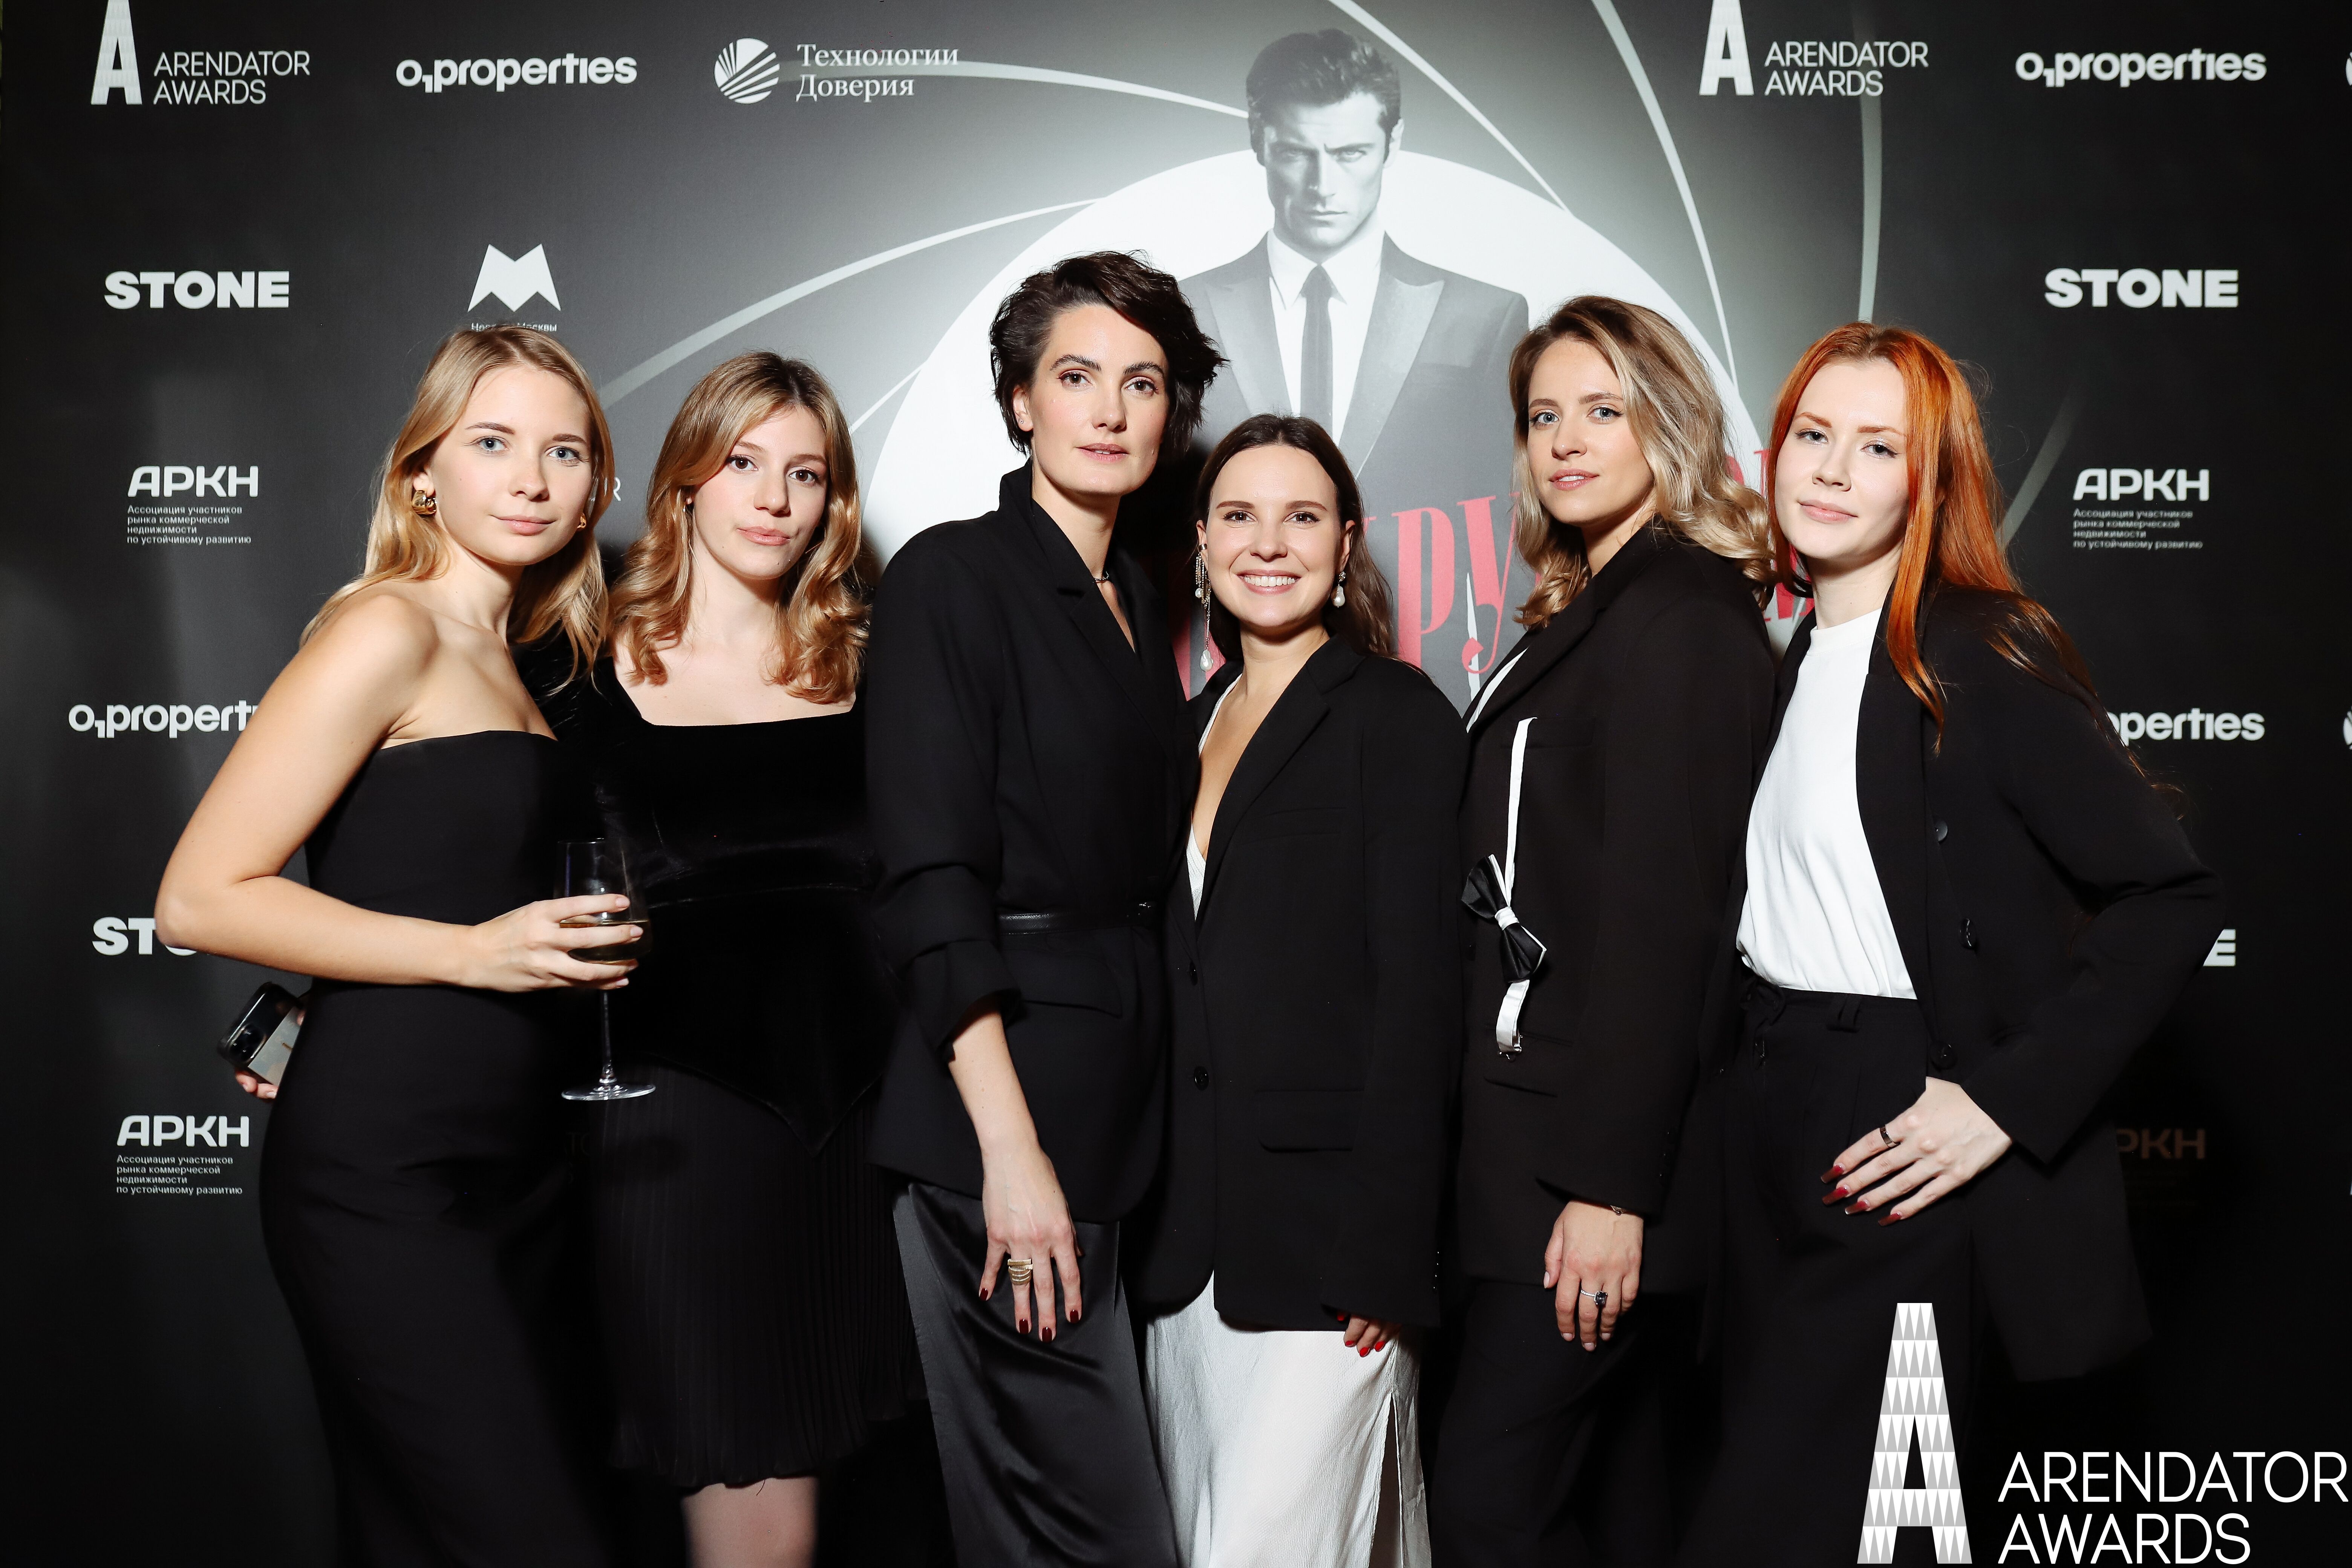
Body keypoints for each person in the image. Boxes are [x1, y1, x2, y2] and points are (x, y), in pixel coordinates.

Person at [1680, 325, 2225, 1565]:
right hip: (1765, 1116)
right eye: (1813, 435)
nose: (1832, 470)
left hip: (1892, 1127)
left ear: (1931, 481)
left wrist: (2001, 1103)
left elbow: (2169, 896)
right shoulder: (1788, 654)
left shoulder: (1976, 650)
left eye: (1879, 448)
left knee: (1819, 1528)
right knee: (1842, 1523)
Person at [154, 326, 623, 1565]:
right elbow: (198, 898)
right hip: (391, 1178)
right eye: (493, 442)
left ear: (596, 489)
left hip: (517, 1167)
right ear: (422, 475)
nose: (531, 479)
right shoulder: (387, 629)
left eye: (565, 452)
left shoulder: (519, 662)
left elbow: (415, 871)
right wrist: (472, 954)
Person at [862, 251, 1223, 1566]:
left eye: (1145, 383)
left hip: (1112, 1122)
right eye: (1077, 377)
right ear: (1020, 401)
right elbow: (930, 878)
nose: (1112, 411)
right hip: (1000, 1130)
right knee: (1088, 1535)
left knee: (1053, 1536)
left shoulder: (1138, 597)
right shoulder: (953, 578)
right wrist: (1010, 1156)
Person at [542, 353, 922, 1568]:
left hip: (859, 1134)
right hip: (681, 1128)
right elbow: (460, 862)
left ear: (834, 502)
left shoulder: (875, 675)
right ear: (687, 483)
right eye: (744, 462)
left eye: (805, 474)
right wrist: (318, 1007)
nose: (774, 498)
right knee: (749, 1501)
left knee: (834, 1504)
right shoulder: (581, 673)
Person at [1431, 297, 1779, 1566]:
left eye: (1602, 410)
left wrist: (1611, 1190)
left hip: (1590, 1170)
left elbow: (1663, 928)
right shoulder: (1599, 605)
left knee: (1488, 1502)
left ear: (1666, 425)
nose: (1566, 441)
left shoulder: (1683, 618)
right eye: (1544, 417)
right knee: (1617, 1512)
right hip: (1531, 1147)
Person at [1133, 413, 1462, 1568]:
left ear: (1347, 542)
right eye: (1239, 515)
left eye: (1302, 516)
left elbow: (1423, 1001)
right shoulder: (1180, 732)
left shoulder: (1397, 717)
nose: (1268, 543)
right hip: (1187, 1249)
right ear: (1202, 543)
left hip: (1332, 1254)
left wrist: (1390, 1248)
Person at [1185, 29, 1529, 700]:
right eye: (1296, 154)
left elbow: (1511, 540)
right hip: (1227, 687)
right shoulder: (1185, 314)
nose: (1323, 186)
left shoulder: (1483, 316)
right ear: (1259, 141)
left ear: (1393, 144)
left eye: (1350, 154)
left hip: (1430, 687)